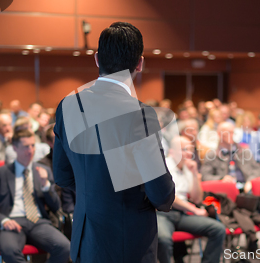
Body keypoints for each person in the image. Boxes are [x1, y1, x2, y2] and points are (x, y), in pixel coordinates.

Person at [53, 22, 175, 263]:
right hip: (129, 242)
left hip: (86, 238)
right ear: (139, 63)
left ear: (97, 59)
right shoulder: (139, 113)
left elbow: (62, 176)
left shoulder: (68, 105)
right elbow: (161, 194)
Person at [0, 129, 70, 263]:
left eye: (33, 145)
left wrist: (46, 185)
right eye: (26, 146)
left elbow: (56, 206)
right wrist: (4, 221)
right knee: (9, 251)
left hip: (38, 222)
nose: (30, 150)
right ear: (15, 148)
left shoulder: (43, 170)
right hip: (12, 222)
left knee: (65, 247)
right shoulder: (1, 173)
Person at [157, 137, 225, 263]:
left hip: (181, 214)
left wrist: (195, 174)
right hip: (162, 213)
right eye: (184, 149)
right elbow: (169, 197)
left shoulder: (188, 168)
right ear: (172, 152)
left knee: (218, 230)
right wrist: (194, 209)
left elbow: (197, 198)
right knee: (163, 239)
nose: (189, 153)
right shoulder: (164, 166)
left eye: (191, 149)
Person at [201, 122, 260, 193]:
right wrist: (221, 179)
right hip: (225, 191)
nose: (231, 135)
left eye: (232, 132)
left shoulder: (244, 152)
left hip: (245, 189)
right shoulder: (212, 155)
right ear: (219, 134)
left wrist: (250, 181)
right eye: (227, 133)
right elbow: (205, 176)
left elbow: (258, 170)